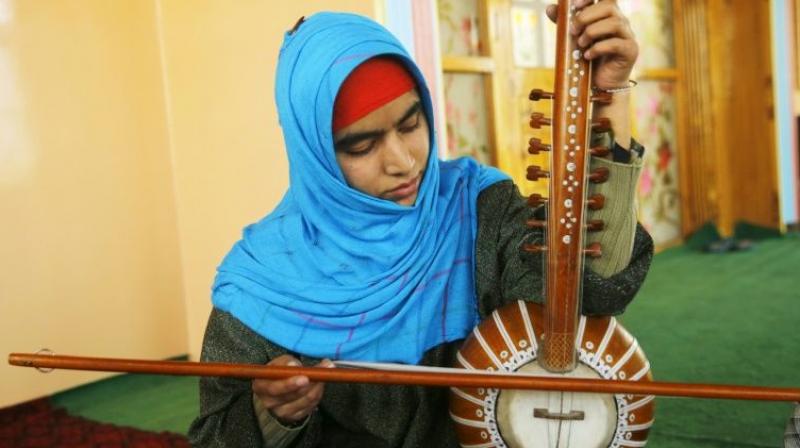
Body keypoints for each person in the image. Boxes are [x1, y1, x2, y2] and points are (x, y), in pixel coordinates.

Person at [188, 1, 652, 446]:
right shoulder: (261, 283)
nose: (403, 161)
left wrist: (609, 97)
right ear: (314, 155)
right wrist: (272, 414)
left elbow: (596, 289)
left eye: (411, 124)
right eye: (361, 146)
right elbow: (216, 437)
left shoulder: (477, 210)